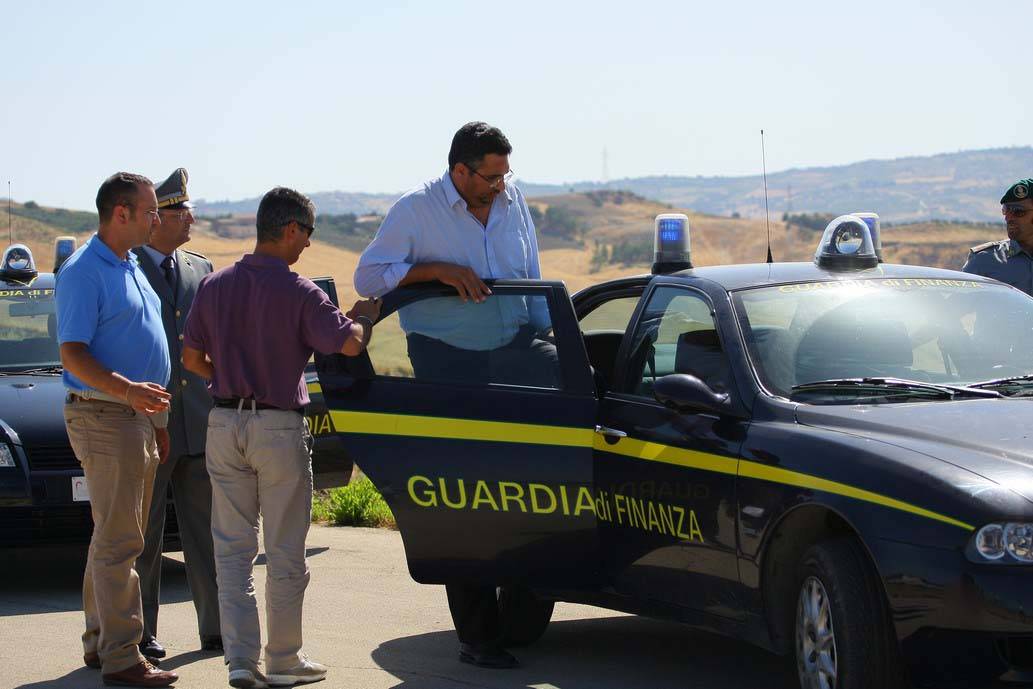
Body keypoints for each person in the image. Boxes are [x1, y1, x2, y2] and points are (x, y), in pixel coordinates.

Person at [354, 121, 557, 668]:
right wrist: (436, 271)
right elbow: (368, 277)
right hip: (450, 363)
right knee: (466, 493)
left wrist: (548, 340)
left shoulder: (512, 201)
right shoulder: (415, 210)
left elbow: (531, 272)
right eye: (491, 176)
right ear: (460, 171)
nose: (501, 185)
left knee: (539, 481)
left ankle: (526, 607)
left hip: (518, 348)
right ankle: (478, 636)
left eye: (505, 175)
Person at [182, 186, 380, 689]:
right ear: (290, 228)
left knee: (231, 552)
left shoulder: (214, 285)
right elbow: (348, 346)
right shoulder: (300, 291)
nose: (308, 245)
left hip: (224, 424)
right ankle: (284, 659)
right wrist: (364, 318)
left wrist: (221, 386)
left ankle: (241, 661)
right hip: (277, 426)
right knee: (286, 551)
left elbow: (190, 358)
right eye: (307, 233)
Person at [56, 172, 178, 687]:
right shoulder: (86, 269)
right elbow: (73, 353)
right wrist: (130, 394)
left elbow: (139, 342)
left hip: (135, 418)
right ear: (121, 213)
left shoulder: (128, 264)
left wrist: (156, 419)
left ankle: (101, 643)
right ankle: (124, 657)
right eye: (151, 211)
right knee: (121, 541)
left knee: (110, 536)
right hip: (107, 415)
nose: (157, 219)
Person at [133, 168, 221, 660]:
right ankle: (141, 632)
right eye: (181, 210)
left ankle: (216, 627)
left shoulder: (199, 268)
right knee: (143, 536)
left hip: (198, 423)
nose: (190, 218)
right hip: (147, 425)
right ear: (156, 219)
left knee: (207, 532)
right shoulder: (126, 269)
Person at [963, 178, 1033, 296]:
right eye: (1006, 210)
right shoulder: (984, 260)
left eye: (1018, 211)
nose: (1009, 218)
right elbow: (955, 306)